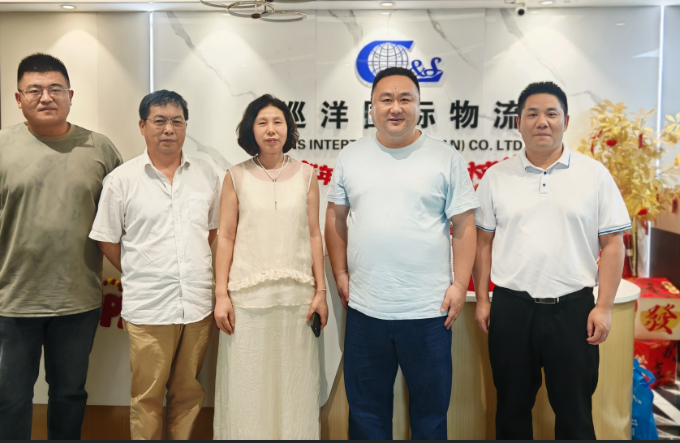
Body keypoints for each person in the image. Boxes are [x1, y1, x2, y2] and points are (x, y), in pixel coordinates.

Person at [0, 53, 122, 440]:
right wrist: (12, 238)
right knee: (10, 397)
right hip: (14, 299)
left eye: (55, 89)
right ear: (19, 99)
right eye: (34, 90)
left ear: (70, 95)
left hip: (78, 300)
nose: (46, 97)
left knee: (69, 393)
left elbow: (117, 218)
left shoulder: (100, 149)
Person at [325, 67, 480, 440]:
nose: (395, 107)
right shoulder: (351, 156)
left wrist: (460, 285)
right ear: (372, 107)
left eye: (405, 99)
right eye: (386, 99)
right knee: (366, 414)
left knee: (430, 415)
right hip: (366, 310)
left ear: (419, 105)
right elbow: (335, 217)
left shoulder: (445, 157)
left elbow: (464, 224)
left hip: (429, 312)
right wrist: (341, 274)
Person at [472, 81, 630, 440]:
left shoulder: (594, 175)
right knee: (510, 410)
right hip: (511, 309)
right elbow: (483, 242)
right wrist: (482, 300)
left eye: (551, 114)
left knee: (575, 413)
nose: (541, 121)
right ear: (518, 122)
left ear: (566, 121)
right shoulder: (496, 176)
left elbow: (613, 244)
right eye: (532, 114)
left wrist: (603, 307)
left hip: (574, 311)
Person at [89, 90, 220, 440]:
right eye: (159, 121)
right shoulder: (121, 180)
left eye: (177, 121)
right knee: (146, 397)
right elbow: (106, 239)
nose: (168, 129)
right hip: (149, 307)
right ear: (142, 126)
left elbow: (211, 230)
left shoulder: (206, 174)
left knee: (189, 392)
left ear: (185, 126)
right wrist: (138, 269)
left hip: (197, 305)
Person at [212, 94, 328, 440]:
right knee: (247, 387)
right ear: (251, 130)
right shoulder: (235, 176)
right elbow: (226, 237)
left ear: (288, 128)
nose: (271, 129)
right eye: (262, 122)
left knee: (295, 387)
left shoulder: (307, 175)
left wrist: (321, 291)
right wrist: (221, 295)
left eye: (278, 122)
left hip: (297, 302)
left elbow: (314, 234)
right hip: (247, 303)